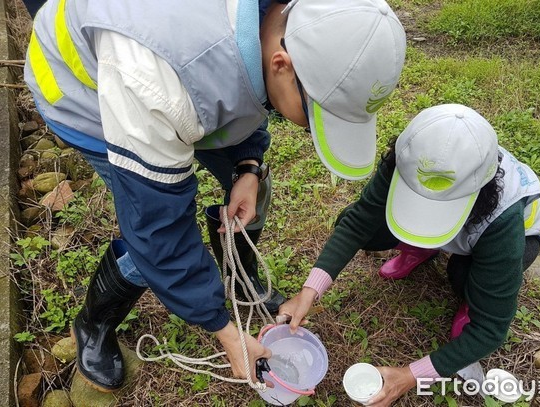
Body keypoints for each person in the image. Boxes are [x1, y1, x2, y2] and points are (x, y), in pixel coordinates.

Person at [23, 0, 406, 392]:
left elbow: (246, 89)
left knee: (252, 186)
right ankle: (94, 323)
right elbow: (159, 229)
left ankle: (240, 283)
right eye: (315, 118)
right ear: (281, 65)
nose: (310, 131)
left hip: (172, 72)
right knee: (150, 239)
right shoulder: (158, 83)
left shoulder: (284, 19)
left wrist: (248, 166)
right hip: (84, 91)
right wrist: (225, 331)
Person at [279, 104, 540, 406]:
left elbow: (491, 328)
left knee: (461, 277)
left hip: (513, 238)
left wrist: (408, 376)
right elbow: (357, 223)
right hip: (462, 225)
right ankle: (421, 247)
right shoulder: (411, 158)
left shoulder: (503, 217)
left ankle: (470, 294)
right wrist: (309, 290)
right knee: (358, 223)